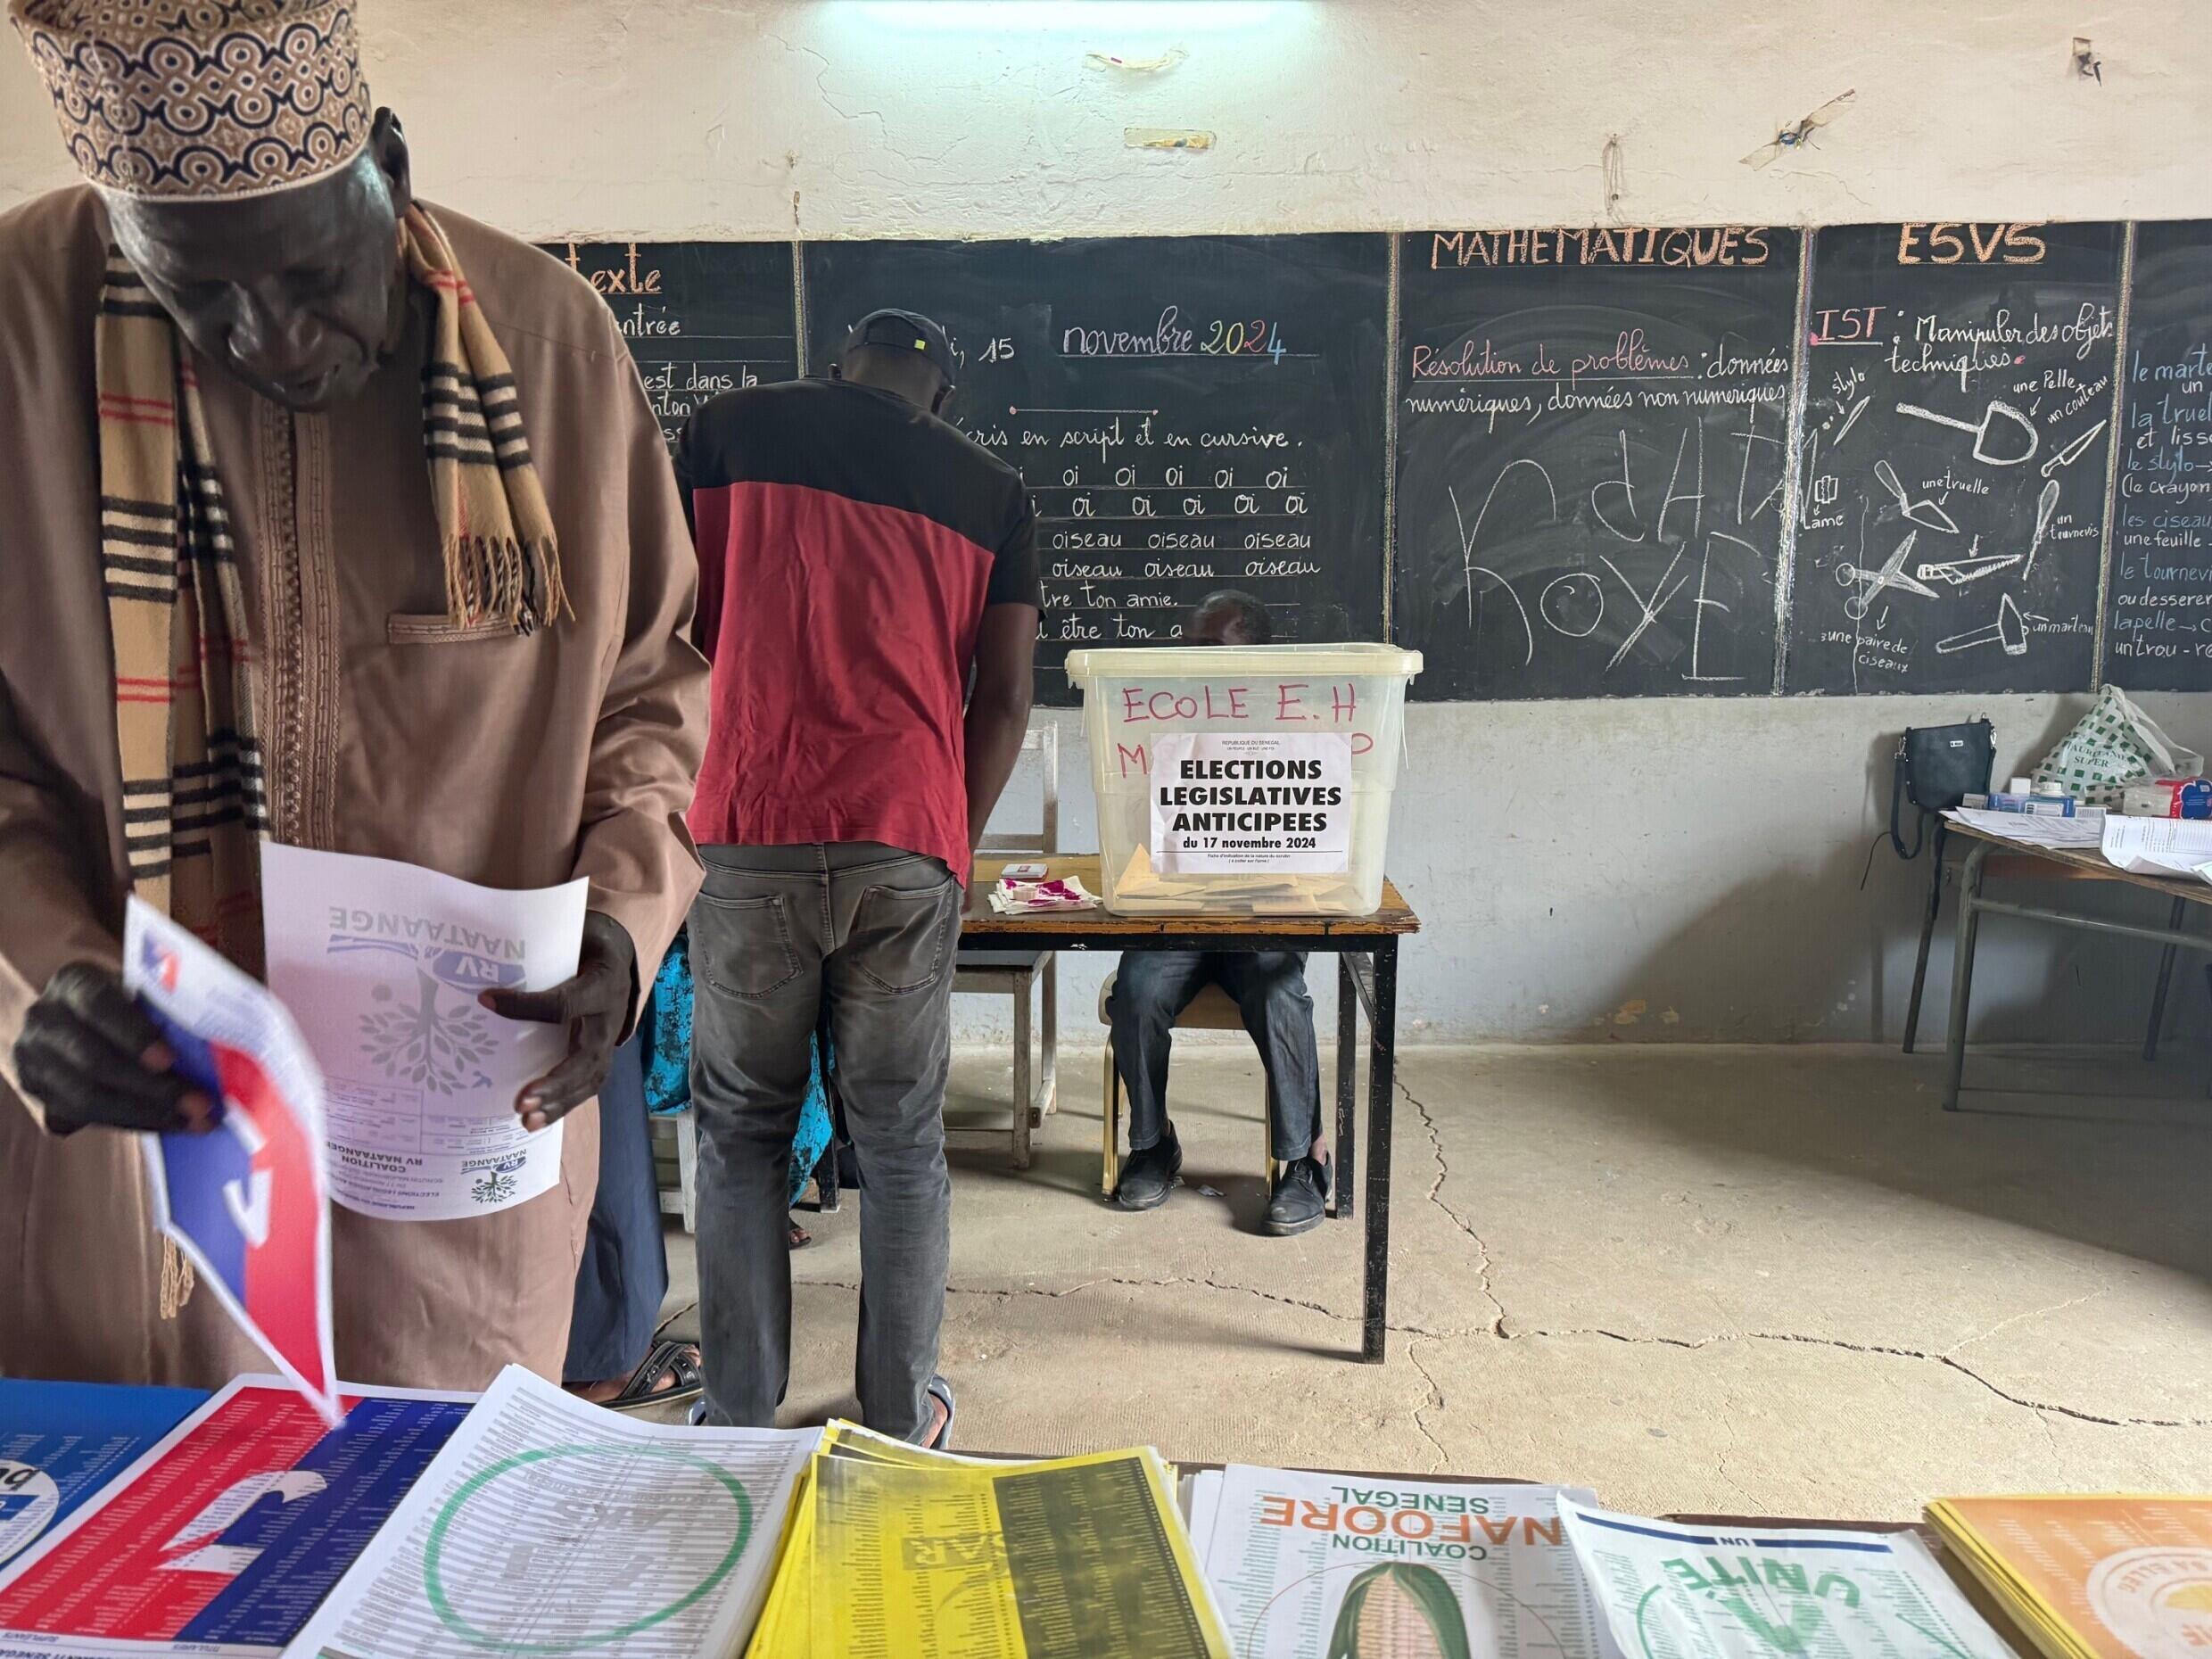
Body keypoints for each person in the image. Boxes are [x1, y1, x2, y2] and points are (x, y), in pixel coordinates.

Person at [0, 0, 706, 1391]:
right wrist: (41, 966)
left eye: (314, 275)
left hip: (455, 1172)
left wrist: (624, 923)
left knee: (428, 1552)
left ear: (386, 160)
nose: (272, 337)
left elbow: (651, 700)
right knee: (145, 1568)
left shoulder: (553, 354)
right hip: (134, 1164)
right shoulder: (22, 332)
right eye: (202, 299)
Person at [677, 308, 1040, 1446]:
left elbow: (663, 628)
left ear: (841, 364)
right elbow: (1009, 694)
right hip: (903, 837)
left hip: (745, 822)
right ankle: (899, 1411)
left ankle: (737, 1411)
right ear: (943, 396)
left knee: (739, 1130)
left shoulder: (724, 434)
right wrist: (952, 838)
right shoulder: (991, 490)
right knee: (899, 1141)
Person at [1107, 590, 1331, 1235]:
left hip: (1260, 920)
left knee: (1281, 992)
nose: (1195, 660)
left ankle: (1300, 1163)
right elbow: (1135, 825)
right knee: (1137, 993)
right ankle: (1153, 1146)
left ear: (1255, 656)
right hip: (1178, 915)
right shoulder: (1164, 716)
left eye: (1213, 648)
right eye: (1191, 646)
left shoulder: (1297, 724)